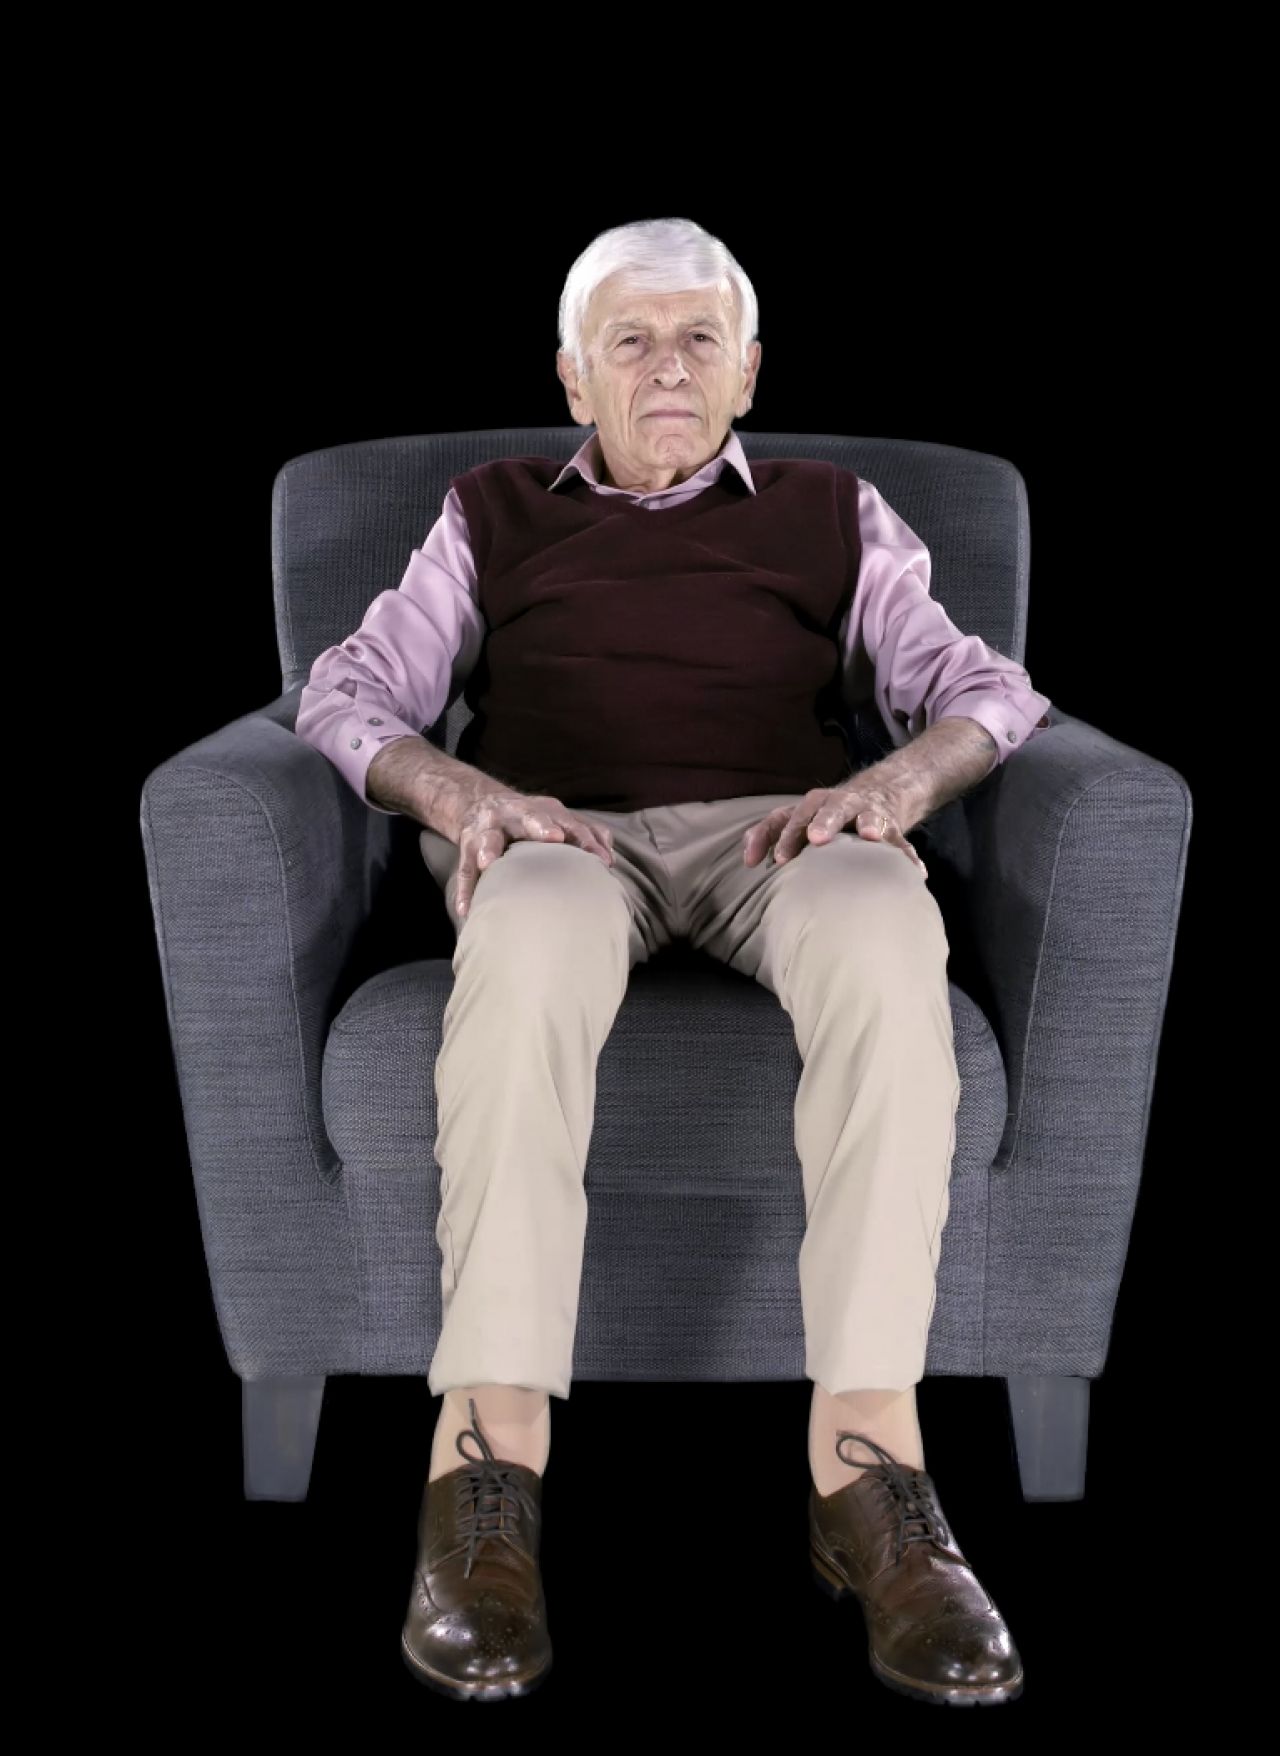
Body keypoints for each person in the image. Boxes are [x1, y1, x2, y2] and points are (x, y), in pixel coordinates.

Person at [295, 216, 1051, 1707]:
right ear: (573, 377)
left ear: (749, 370)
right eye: (628, 340)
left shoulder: (837, 511)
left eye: (700, 337)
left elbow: (983, 688)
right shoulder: (491, 508)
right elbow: (355, 688)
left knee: (889, 920)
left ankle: (871, 1477)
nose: (666, 366)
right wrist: (465, 799)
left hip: (780, 830)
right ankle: (484, 1481)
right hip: (562, 834)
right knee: (521, 924)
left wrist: (895, 788)